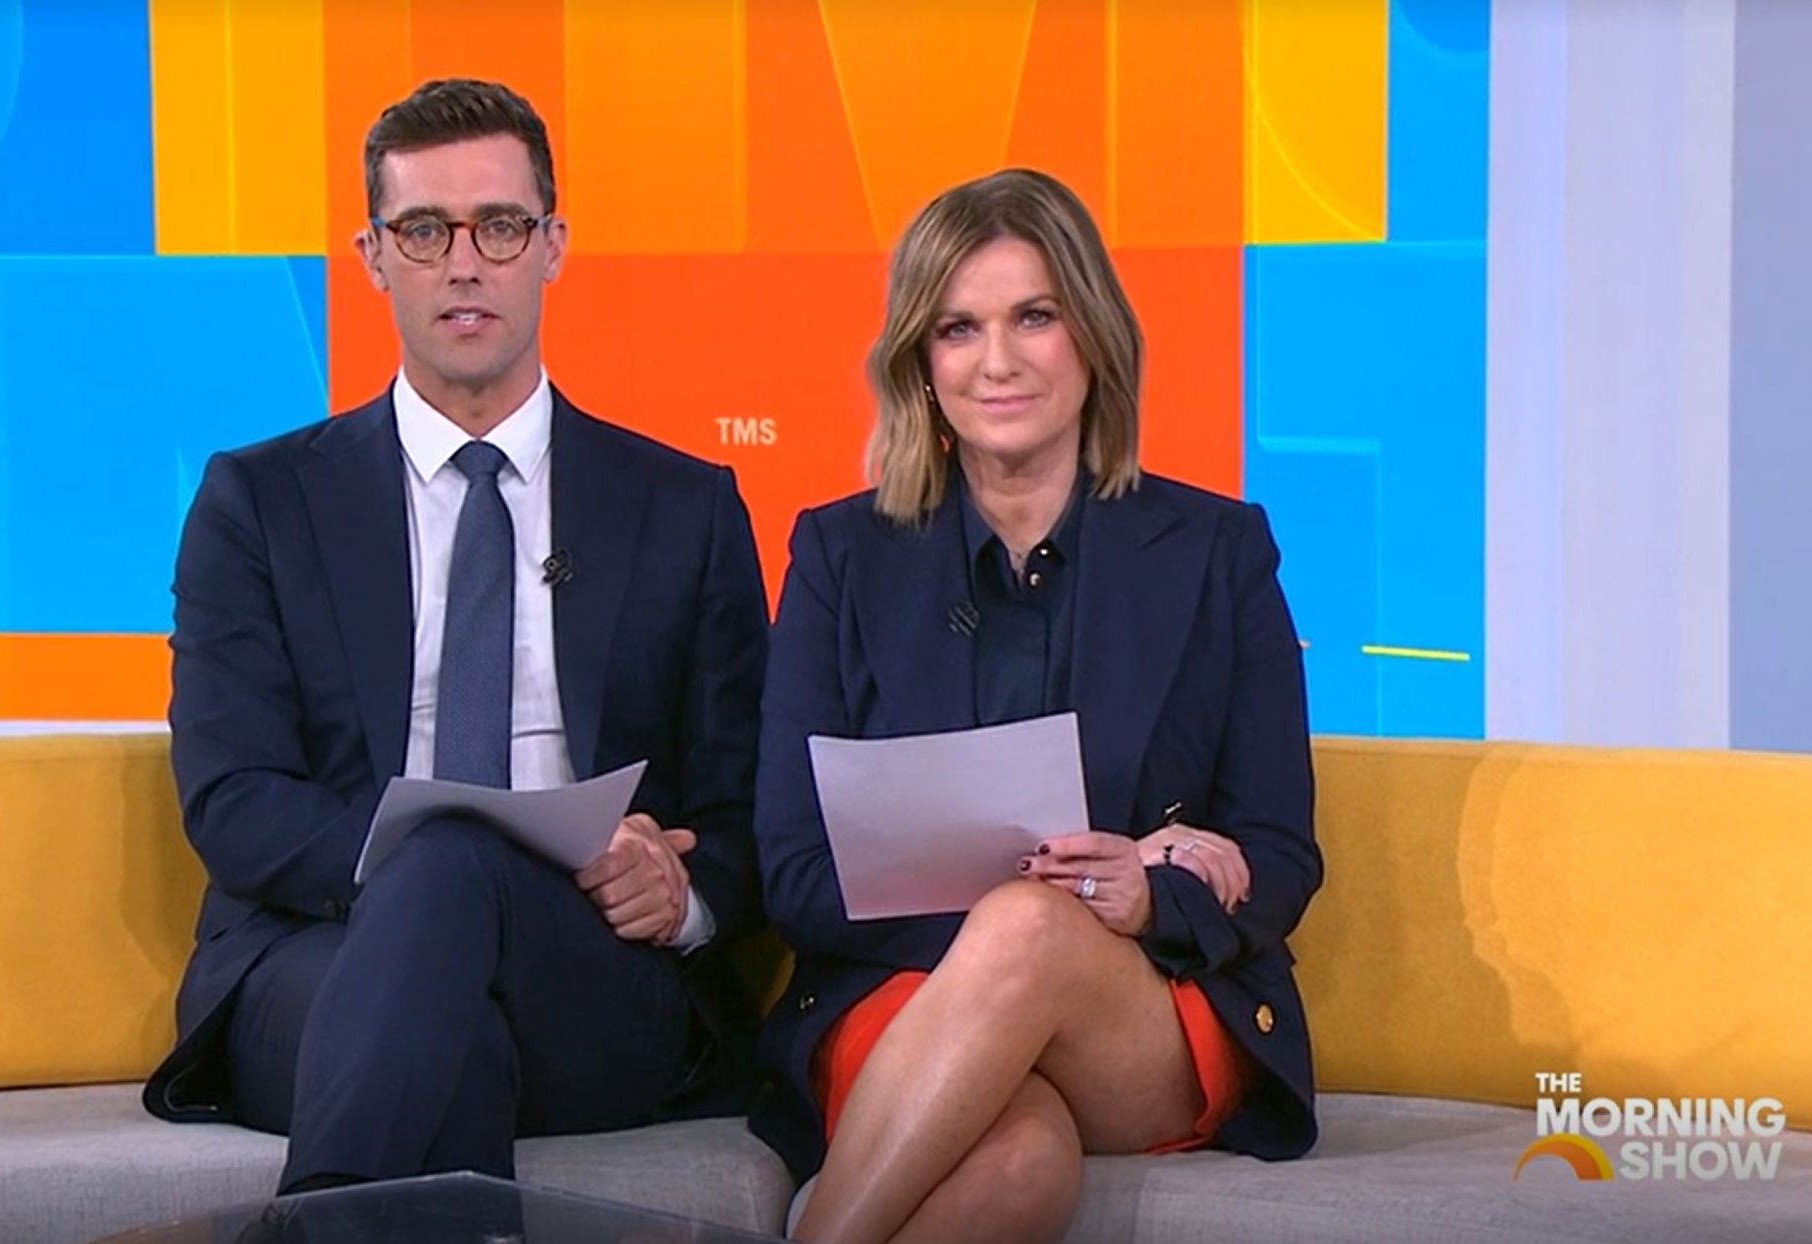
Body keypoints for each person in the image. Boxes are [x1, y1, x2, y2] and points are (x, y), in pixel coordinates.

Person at [142, 78, 770, 1193]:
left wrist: (684, 895)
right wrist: (435, 869)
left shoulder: (683, 507)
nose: (465, 263)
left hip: (591, 967)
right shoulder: (262, 504)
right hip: (320, 953)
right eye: (425, 231)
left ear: (553, 247)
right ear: (374, 257)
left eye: (501, 226)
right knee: (448, 1000)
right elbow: (234, 802)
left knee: (444, 940)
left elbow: (747, 803)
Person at [749, 168, 1321, 1244]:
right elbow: (795, 873)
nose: (998, 360)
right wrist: (1065, 890)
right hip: (906, 990)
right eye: (958, 328)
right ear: (922, 365)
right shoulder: (839, 555)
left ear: (1092, 336)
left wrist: (1145, 901)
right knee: (1017, 1165)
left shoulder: (1216, 550)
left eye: (1034, 317)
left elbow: (1281, 855)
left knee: (1026, 925)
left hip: (1140, 1008)